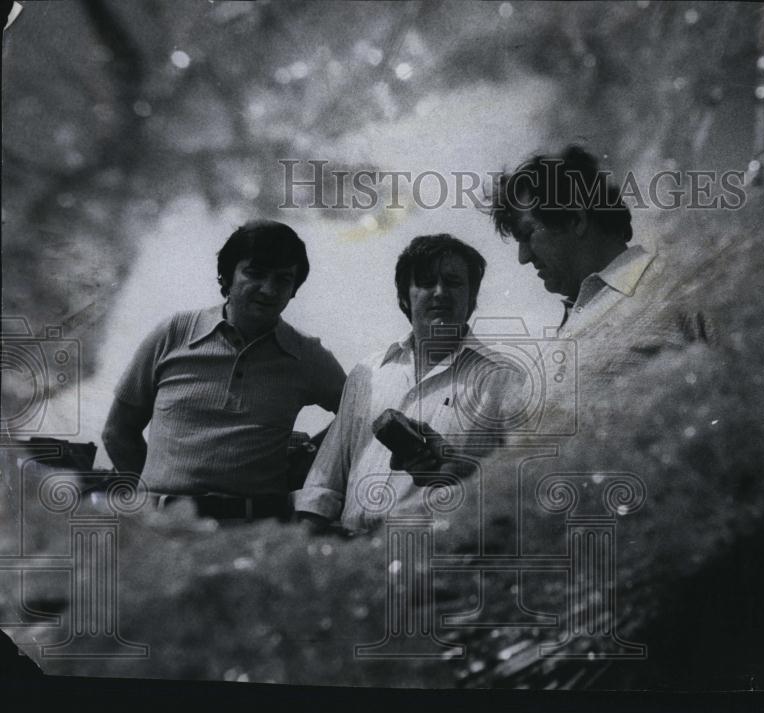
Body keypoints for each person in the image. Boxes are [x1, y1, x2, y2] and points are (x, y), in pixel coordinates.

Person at [101, 220, 347, 521]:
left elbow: (355, 416)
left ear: (294, 289)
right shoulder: (174, 333)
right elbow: (118, 431)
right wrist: (154, 500)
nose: (269, 290)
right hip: (164, 526)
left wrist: (310, 459)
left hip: (255, 530)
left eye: (283, 279)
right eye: (255, 274)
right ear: (227, 277)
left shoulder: (306, 354)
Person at [294, 234, 525, 535]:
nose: (440, 292)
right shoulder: (368, 373)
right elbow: (323, 484)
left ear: (472, 298)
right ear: (404, 297)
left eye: (453, 282)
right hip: (350, 551)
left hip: (434, 553)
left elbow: (524, 481)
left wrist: (462, 473)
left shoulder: (503, 379)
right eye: (426, 282)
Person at [490, 145, 712, 367]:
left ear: (576, 219)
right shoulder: (567, 327)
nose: (523, 257)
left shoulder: (681, 288)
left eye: (527, 234)